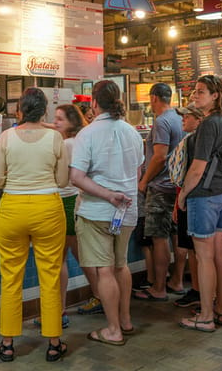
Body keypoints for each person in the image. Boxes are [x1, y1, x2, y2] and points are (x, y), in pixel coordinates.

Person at [0, 88, 70, 362]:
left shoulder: (6, 137)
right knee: (50, 275)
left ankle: (8, 343)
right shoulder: (56, 137)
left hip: (12, 210)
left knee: (11, 277)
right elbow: (61, 181)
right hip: (48, 209)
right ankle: (54, 342)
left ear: (19, 110)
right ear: (45, 111)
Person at [70, 79, 144, 347]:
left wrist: (107, 194)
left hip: (97, 211)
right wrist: (119, 193)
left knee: (104, 270)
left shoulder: (87, 134)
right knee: (121, 265)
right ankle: (125, 320)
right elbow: (136, 173)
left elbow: (76, 177)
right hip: (127, 210)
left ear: (94, 103)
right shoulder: (132, 132)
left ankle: (113, 329)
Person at [177, 75, 222, 333]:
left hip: (206, 195)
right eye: (194, 91)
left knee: (204, 258)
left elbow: (197, 168)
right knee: (218, 255)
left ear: (215, 96)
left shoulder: (208, 124)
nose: (194, 95)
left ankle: (205, 316)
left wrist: (182, 195)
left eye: (200, 92)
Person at [134, 83, 185, 301]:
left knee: (158, 237)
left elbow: (159, 156)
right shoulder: (179, 118)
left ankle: (159, 287)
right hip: (176, 186)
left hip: (161, 187)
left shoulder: (162, 122)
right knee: (176, 235)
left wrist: (144, 180)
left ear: (154, 98)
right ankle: (177, 280)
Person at [47, 104, 91, 329]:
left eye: (60, 119)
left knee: (62, 258)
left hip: (65, 202)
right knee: (78, 255)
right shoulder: (78, 140)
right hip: (75, 200)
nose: (55, 122)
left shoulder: (64, 144)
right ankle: (99, 297)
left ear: (71, 122)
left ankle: (60, 310)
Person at [168, 105, 205, 310]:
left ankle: (202, 293)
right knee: (192, 248)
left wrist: (180, 199)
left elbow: (188, 174)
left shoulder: (192, 142)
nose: (183, 119)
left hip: (191, 199)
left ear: (199, 119)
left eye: (187, 116)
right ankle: (198, 290)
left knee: (196, 249)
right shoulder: (191, 140)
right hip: (189, 198)